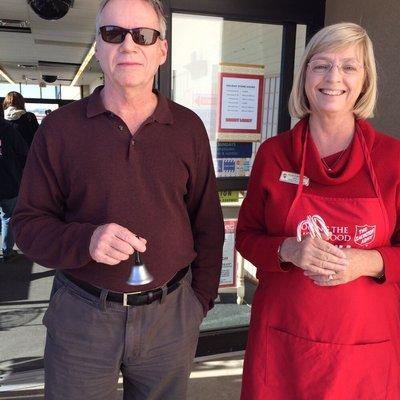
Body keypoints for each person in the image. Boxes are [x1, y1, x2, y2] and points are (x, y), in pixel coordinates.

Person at [11, 0, 224, 399]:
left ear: (161, 50)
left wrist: (200, 303)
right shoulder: (59, 130)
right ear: (98, 44)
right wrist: (85, 241)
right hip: (82, 315)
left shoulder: (188, 128)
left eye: (143, 35)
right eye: (113, 33)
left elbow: (207, 223)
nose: (129, 45)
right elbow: (27, 225)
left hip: (171, 315)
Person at [236, 22, 400, 399]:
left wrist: (368, 262)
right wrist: (288, 250)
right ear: (306, 76)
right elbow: (246, 237)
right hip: (282, 346)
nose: (333, 77)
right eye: (321, 65)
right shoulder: (274, 154)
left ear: (365, 80)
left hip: (366, 350)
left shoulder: (393, 159)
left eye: (349, 66)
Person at [0, 109, 28, 263]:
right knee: (8, 217)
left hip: (8, 182)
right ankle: (7, 252)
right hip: (8, 182)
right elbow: (24, 151)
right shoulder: (8, 131)